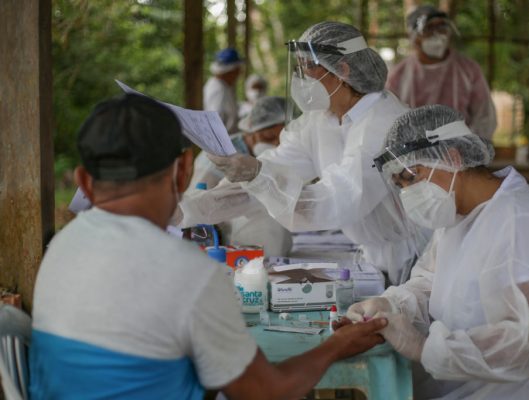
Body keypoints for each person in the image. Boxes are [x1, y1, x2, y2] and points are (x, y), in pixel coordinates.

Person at [28, 93, 388, 399]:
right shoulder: (191, 273)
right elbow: (267, 392)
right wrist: (339, 344)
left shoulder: (58, 250)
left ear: (83, 183)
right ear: (184, 171)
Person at [345, 104, 529, 399]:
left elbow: (527, 344)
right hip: (465, 383)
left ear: (452, 158)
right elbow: (428, 283)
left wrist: (425, 347)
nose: (408, 195)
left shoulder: (524, 221)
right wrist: (389, 306)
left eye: (412, 178)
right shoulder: (457, 217)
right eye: (401, 186)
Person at [185, 21, 425, 284]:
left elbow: (334, 201)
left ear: (341, 69)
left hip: (413, 258)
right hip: (372, 257)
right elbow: (271, 172)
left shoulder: (384, 123)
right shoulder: (320, 121)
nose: (300, 77)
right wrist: (192, 208)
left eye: (307, 67)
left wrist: (256, 175)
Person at [185, 96, 292, 257]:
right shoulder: (220, 158)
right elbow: (199, 204)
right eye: (269, 137)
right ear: (251, 131)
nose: (276, 144)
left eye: (282, 139)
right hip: (223, 245)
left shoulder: (261, 157)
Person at [386, 5, 497, 140]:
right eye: (428, 29)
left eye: (442, 28)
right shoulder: (399, 75)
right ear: (414, 37)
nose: (437, 35)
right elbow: (388, 122)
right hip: (412, 158)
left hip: (460, 156)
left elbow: (484, 118)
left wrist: (466, 148)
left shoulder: (468, 70)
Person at [204, 48, 243, 133]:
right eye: (237, 70)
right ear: (230, 71)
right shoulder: (218, 89)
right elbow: (216, 122)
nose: (239, 74)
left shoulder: (224, 87)